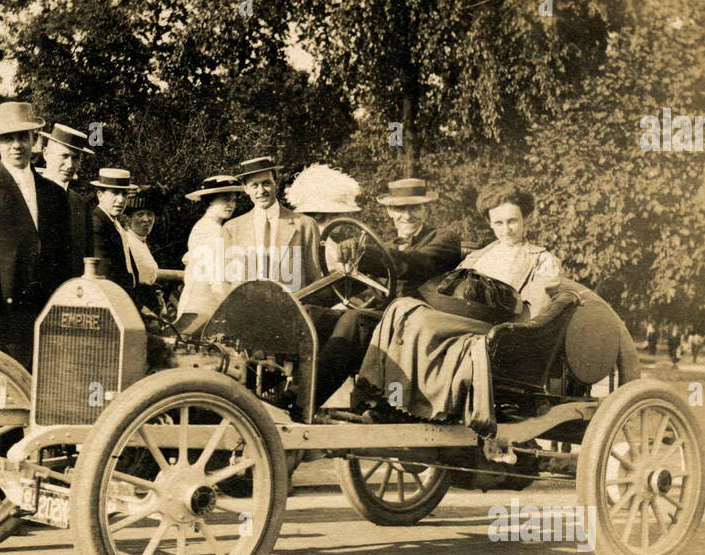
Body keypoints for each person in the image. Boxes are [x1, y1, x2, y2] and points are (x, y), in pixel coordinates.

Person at [352, 180, 562, 425]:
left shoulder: (541, 259)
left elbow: (536, 313)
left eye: (513, 221)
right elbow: (451, 290)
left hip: (503, 329)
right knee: (402, 308)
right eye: (498, 223)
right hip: (463, 319)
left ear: (527, 218)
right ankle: (384, 398)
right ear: (490, 223)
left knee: (417, 317)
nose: (506, 229)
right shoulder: (479, 256)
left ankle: (404, 404)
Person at [0, 106, 87, 370]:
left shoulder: (55, 195)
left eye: (23, 137)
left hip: (47, 324)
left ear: (35, 139)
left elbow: (66, 262)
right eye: (7, 138)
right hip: (2, 327)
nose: (16, 145)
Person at [312, 177, 462, 406]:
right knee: (310, 315)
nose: (407, 215)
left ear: (426, 209)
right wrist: (296, 300)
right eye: (400, 209)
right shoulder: (388, 245)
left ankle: (303, 402)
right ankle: (263, 396)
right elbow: (349, 285)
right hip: (381, 320)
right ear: (390, 212)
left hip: (413, 324)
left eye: (414, 208)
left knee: (355, 320)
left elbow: (413, 262)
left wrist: (364, 253)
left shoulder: (444, 240)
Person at [220, 156, 323, 295]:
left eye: (266, 183)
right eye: (254, 185)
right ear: (246, 189)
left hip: (291, 309)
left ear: (276, 182)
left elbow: (315, 278)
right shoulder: (231, 229)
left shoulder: (305, 225)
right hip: (248, 310)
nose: (261, 191)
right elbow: (226, 281)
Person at [175, 174, 242, 323]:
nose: (230, 205)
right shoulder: (210, 230)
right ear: (210, 200)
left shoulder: (211, 226)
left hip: (202, 299)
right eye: (225, 199)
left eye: (233, 200)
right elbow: (214, 276)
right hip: (202, 304)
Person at [89, 167, 142, 294]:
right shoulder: (97, 223)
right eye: (114, 193)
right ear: (100, 195)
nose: (121, 200)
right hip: (111, 295)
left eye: (124, 194)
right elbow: (104, 270)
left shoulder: (115, 223)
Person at [123, 186, 163, 313]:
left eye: (150, 214)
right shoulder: (128, 241)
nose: (146, 219)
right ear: (129, 219)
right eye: (140, 214)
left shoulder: (142, 242)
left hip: (149, 300)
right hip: (137, 303)